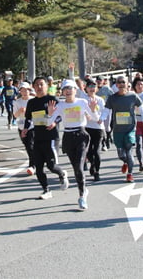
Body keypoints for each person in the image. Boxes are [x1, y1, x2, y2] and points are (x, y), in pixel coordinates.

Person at [46, 79, 99, 210]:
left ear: (76, 90)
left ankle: (82, 196)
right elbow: (48, 124)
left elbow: (96, 118)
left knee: (79, 167)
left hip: (81, 135)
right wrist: (50, 114)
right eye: (66, 89)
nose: (68, 91)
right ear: (62, 91)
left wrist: (93, 110)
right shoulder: (60, 105)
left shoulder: (82, 102)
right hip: (68, 136)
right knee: (75, 168)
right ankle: (84, 189)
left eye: (71, 88)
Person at [21, 76, 69, 200]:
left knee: (51, 166)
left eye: (41, 84)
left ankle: (62, 173)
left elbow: (61, 115)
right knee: (39, 167)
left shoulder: (52, 100)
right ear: (33, 87)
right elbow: (29, 118)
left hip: (51, 137)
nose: (39, 87)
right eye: (36, 85)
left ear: (47, 86)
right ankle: (46, 190)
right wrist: (26, 129)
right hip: (38, 136)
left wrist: (54, 122)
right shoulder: (31, 102)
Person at [105, 75, 143, 183]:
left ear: (127, 84)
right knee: (121, 154)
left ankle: (130, 174)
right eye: (119, 82)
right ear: (116, 85)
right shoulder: (112, 98)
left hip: (130, 128)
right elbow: (106, 111)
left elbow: (141, 108)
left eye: (123, 82)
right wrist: (103, 121)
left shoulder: (133, 96)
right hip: (118, 130)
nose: (121, 84)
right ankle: (126, 162)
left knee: (129, 150)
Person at [84, 79, 109, 181]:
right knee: (89, 151)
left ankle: (97, 172)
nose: (92, 89)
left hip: (98, 128)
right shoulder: (84, 100)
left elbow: (105, 111)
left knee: (97, 151)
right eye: (89, 87)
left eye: (94, 87)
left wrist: (101, 119)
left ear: (97, 89)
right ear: (86, 89)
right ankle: (92, 164)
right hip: (87, 127)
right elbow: (82, 111)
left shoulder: (100, 100)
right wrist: (86, 115)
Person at [13, 81, 35, 175]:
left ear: (29, 90)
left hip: (32, 126)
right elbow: (15, 115)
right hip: (21, 126)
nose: (25, 92)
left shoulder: (33, 100)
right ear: (20, 91)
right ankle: (35, 161)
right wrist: (20, 111)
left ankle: (32, 165)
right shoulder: (17, 102)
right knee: (27, 146)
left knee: (31, 145)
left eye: (26, 90)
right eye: (23, 90)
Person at [96, 75, 114, 150]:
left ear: (103, 81)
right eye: (97, 80)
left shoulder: (107, 88)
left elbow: (113, 96)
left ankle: (108, 138)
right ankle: (104, 143)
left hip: (107, 110)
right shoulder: (94, 89)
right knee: (100, 127)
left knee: (107, 127)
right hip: (97, 111)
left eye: (100, 80)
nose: (99, 81)